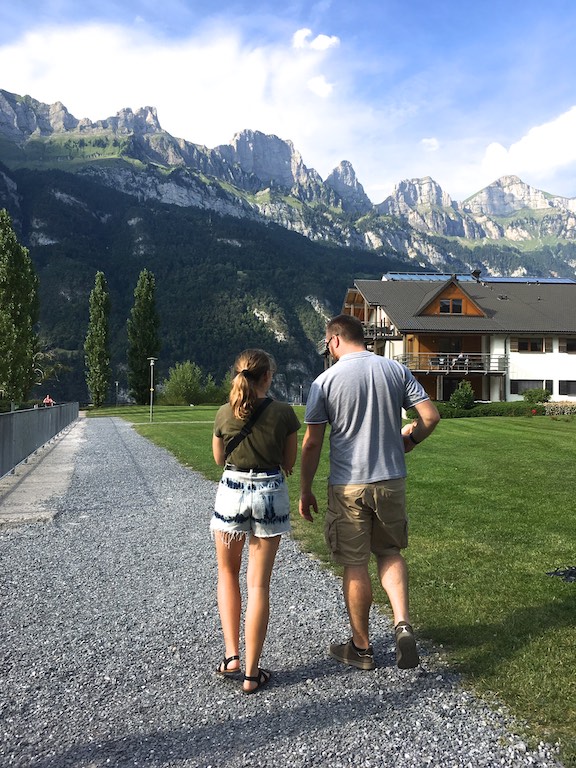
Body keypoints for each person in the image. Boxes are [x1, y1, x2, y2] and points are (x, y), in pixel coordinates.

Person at [299, 314, 440, 671]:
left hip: (348, 485)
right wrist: (411, 440)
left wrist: (305, 489)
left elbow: (312, 442)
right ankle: (402, 623)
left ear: (334, 340)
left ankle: (361, 648)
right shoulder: (395, 370)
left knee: (355, 562)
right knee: (389, 551)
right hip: (391, 480)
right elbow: (430, 416)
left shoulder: (325, 381)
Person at [211, 349, 300, 693]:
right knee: (258, 585)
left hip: (231, 490)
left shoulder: (224, 412)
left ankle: (231, 656)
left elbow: (218, 458)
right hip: (269, 492)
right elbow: (288, 462)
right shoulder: (284, 413)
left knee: (227, 573)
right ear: (267, 377)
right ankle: (251, 673)